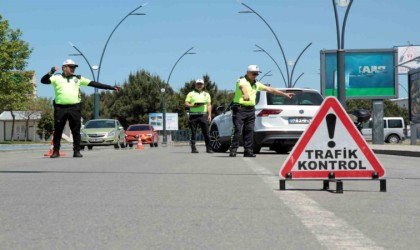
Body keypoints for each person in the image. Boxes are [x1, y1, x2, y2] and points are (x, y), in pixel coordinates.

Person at [41, 59, 120, 158]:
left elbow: (94, 84)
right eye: (71, 67)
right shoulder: (57, 78)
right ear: (64, 67)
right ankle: (56, 152)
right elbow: (43, 81)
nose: (73, 69)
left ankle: (77, 151)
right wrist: (51, 71)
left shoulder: (78, 78)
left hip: (75, 107)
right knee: (58, 130)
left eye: (74, 67)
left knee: (76, 130)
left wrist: (111, 87)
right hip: (60, 108)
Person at [229, 65, 294, 157]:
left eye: (257, 74)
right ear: (248, 73)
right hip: (239, 109)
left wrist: (284, 94)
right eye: (254, 73)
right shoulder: (241, 80)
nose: (256, 75)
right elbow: (242, 87)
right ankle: (233, 149)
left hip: (251, 109)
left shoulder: (257, 83)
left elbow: (270, 89)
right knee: (238, 130)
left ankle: (248, 151)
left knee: (249, 130)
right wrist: (245, 93)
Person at [184, 79, 213, 153]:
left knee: (206, 132)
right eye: (198, 84)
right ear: (195, 85)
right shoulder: (191, 93)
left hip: (203, 115)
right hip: (193, 115)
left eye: (201, 84)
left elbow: (209, 105)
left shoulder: (207, 94)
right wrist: (193, 106)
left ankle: (208, 148)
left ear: (203, 85)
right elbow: (186, 103)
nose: (199, 85)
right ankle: (193, 148)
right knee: (193, 132)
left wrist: (209, 115)